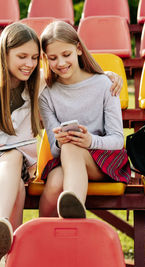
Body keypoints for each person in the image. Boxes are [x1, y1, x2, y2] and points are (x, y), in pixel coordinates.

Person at [0, 22, 122, 264]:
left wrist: (108, 76)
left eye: (33, 57)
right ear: (4, 54)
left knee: (15, 176)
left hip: (8, 170)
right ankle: (1, 231)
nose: (29, 64)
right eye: (21, 56)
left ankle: (4, 239)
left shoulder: (35, 83)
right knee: (13, 166)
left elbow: (72, 73)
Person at [38, 21, 131, 219]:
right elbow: (55, 149)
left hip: (104, 159)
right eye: (53, 58)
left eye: (66, 55)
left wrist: (90, 141)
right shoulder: (46, 95)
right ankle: (46, 235)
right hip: (67, 160)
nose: (61, 64)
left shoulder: (106, 85)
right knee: (54, 183)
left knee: (72, 147)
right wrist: (60, 141)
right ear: (46, 58)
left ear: (78, 49)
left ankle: (74, 207)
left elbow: (117, 140)